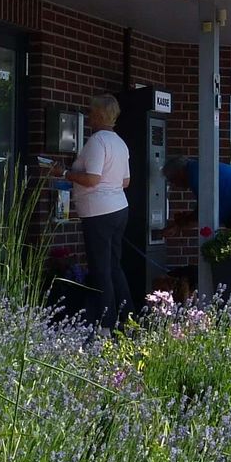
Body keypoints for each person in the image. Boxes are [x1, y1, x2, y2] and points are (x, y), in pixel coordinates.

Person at [53, 94, 131, 329]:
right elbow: (126, 181)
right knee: (114, 266)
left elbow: (92, 178)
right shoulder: (120, 142)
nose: (88, 117)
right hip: (119, 208)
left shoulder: (97, 141)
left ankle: (105, 325)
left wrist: (64, 173)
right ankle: (128, 320)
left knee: (100, 269)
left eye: (90, 112)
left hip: (98, 212)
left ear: (98, 115)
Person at [162, 157, 231, 234]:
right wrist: (187, 220)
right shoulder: (198, 169)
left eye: (173, 180)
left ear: (179, 172)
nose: (175, 185)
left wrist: (181, 224)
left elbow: (206, 211)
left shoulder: (197, 176)